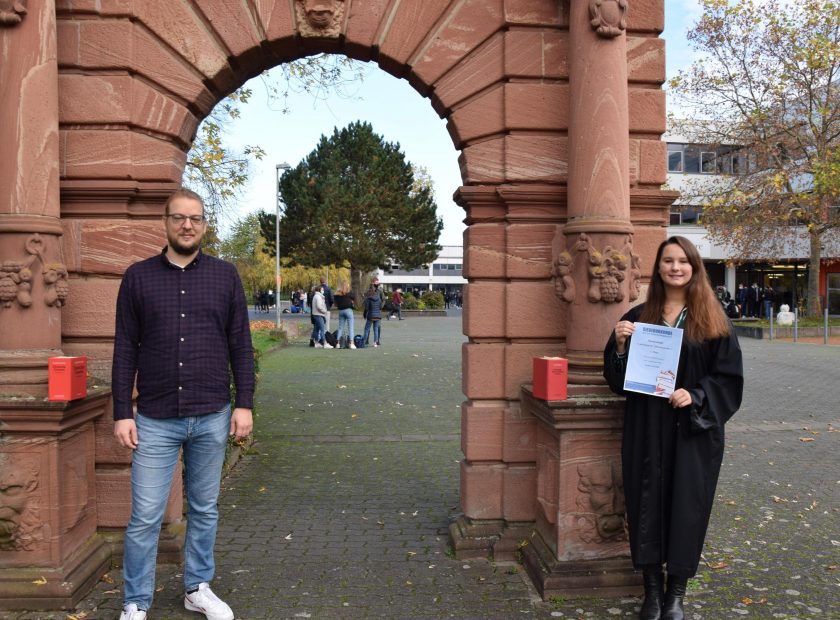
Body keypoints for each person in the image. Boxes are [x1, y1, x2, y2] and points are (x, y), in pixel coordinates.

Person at [111, 188, 254, 620]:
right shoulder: (137, 277)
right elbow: (125, 350)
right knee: (145, 517)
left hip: (212, 414)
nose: (187, 225)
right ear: (166, 223)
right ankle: (135, 601)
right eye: (178, 217)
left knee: (205, 508)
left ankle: (197, 587)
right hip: (154, 419)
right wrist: (122, 411)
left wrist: (243, 404)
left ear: (204, 225)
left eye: (194, 218)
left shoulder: (225, 276)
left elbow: (241, 346)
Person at [603, 236, 743, 620]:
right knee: (645, 503)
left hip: (693, 432)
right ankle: (651, 591)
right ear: (659, 268)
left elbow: (729, 379)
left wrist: (696, 396)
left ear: (694, 268)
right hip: (646, 427)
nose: (676, 267)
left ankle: (676, 593)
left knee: (687, 507)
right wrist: (618, 346)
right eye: (668, 261)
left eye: (683, 261)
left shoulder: (713, 320)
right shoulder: (637, 317)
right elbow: (616, 381)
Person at [333, 281, 356, 349]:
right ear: (347, 286)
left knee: (340, 328)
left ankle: (338, 343)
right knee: (350, 327)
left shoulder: (337, 294)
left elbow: (335, 303)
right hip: (348, 310)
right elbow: (354, 297)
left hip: (341, 311)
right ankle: (351, 343)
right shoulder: (349, 293)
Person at [362, 281, 384, 347]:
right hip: (378, 316)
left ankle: (364, 341)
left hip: (371, 316)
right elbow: (380, 307)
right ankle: (375, 343)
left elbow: (366, 308)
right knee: (376, 329)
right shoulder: (379, 298)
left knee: (367, 329)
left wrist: (364, 315)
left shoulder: (368, 299)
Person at [310, 284, 331, 348]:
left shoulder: (316, 296)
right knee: (322, 329)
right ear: (319, 290)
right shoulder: (318, 297)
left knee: (316, 329)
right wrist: (324, 311)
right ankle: (325, 343)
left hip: (316, 314)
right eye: (322, 290)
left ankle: (316, 342)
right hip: (319, 314)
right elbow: (319, 306)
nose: (323, 291)